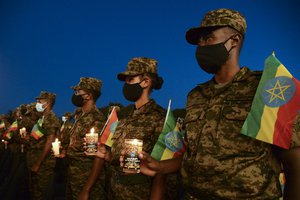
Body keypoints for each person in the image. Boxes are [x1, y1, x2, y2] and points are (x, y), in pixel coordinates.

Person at [133, 8, 300, 199]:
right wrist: (159, 166)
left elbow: (295, 164)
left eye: (208, 38)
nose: (201, 45)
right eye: (199, 41)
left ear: (234, 40)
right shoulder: (195, 95)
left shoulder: (266, 87)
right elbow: (193, 155)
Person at [100, 57, 172, 200]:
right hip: (113, 192)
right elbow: (117, 158)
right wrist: (105, 154)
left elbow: (162, 171)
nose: (126, 85)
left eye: (130, 80)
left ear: (145, 82)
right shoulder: (125, 117)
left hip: (139, 194)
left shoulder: (161, 118)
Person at [66, 77, 106, 200]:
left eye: (78, 92)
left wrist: (86, 190)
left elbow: (99, 157)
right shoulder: (78, 115)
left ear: (88, 96)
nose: (75, 95)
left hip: (86, 176)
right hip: (73, 173)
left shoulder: (97, 118)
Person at [27, 91, 60, 199]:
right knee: (35, 191)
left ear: (47, 103)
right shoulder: (42, 118)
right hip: (36, 157)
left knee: (43, 192)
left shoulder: (51, 117)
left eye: (39, 101)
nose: (37, 103)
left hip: (44, 163)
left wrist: (38, 163)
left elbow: (49, 142)